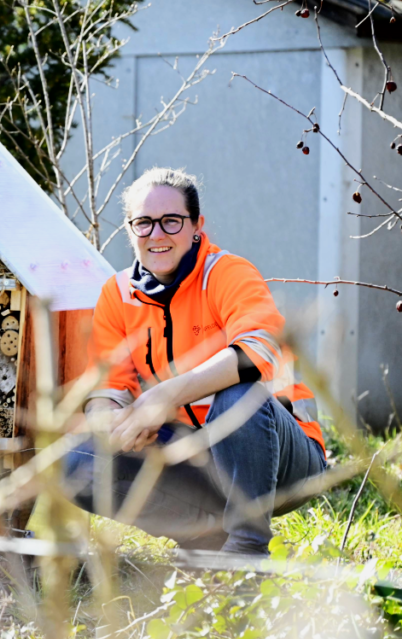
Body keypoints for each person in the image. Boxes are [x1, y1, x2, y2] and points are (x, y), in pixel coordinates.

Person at [66, 167, 326, 556]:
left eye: (171, 221)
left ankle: (246, 550)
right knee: (76, 463)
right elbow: (108, 389)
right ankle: (202, 539)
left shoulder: (227, 273)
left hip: (280, 461)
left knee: (236, 395)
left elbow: (257, 353)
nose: (157, 234)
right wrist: (119, 425)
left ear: (196, 226)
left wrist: (165, 397)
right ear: (129, 229)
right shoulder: (117, 294)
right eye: (144, 223)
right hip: (190, 458)